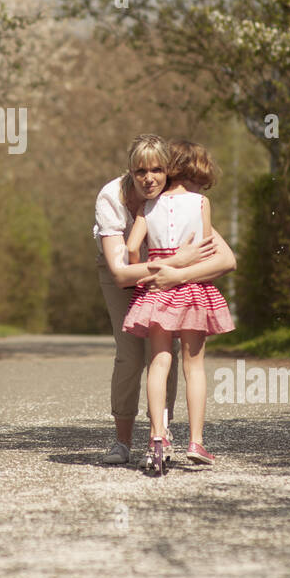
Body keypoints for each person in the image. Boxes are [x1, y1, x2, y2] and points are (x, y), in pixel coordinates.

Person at [94, 135, 236, 467]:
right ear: (130, 170)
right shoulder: (112, 198)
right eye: (141, 170)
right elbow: (121, 271)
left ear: (168, 172)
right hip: (123, 274)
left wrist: (176, 275)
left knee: (162, 356)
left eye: (157, 170)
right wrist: (178, 262)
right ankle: (123, 440)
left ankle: (160, 434)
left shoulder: (179, 200)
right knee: (130, 355)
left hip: (166, 277)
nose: (149, 177)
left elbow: (225, 259)